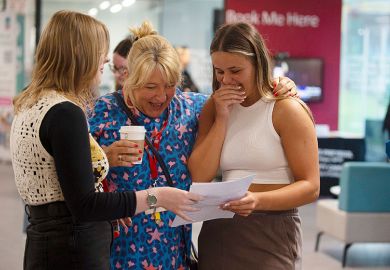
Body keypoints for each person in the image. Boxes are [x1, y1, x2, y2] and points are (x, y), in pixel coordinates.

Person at [89, 20, 299, 269]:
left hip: (173, 251)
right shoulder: (101, 112)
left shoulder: (192, 108)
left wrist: (280, 84)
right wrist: (103, 159)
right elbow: (69, 180)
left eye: (169, 86)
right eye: (150, 87)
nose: (161, 96)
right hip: (118, 250)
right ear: (129, 78)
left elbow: (241, 99)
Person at [10, 11, 200, 270]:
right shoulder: (67, 112)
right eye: (101, 51)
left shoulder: (30, 104)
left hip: (45, 244)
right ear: (81, 54)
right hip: (73, 250)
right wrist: (158, 197)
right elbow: (85, 205)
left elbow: (67, 181)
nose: (107, 59)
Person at [188, 22, 320, 270]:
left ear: (258, 63)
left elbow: (311, 187)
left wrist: (257, 201)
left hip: (271, 230)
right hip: (220, 231)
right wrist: (223, 117)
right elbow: (201, 174)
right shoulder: (213, 108)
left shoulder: (286, 108)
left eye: (235, 70)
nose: (226, 80)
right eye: (219, 71)